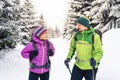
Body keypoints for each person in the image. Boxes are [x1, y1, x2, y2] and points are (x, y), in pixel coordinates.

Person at [64, 16, 103, 80]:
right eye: (77, 25)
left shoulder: (95, 37)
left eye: (80, 25)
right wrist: (68, 58)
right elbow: (72, 48)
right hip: (78, 66)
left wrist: (95, 60)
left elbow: (99, 52)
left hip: (90, 67)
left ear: (86, 26)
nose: (77, 27)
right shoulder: (75, 36)